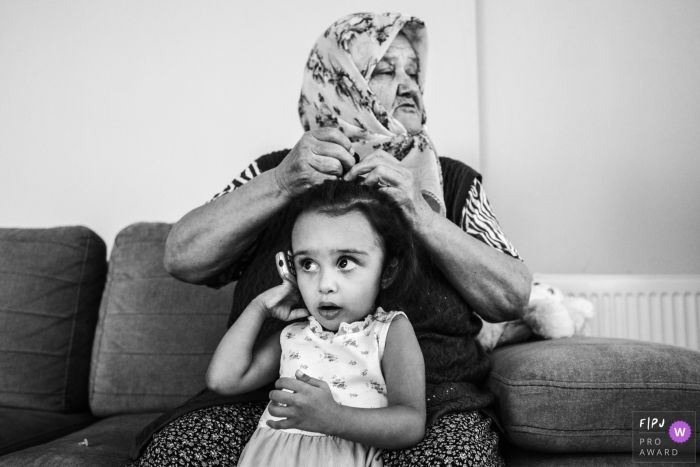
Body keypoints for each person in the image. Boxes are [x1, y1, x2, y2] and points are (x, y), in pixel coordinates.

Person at [129, 12, 532, 467]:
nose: (409, 87)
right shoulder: (277, 170)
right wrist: (281, 184)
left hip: (429, 399)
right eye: (384, 70)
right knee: (178, 455)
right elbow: (182, 256)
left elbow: (513, 295)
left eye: (414, 73)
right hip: (272, 396)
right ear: (340, 79)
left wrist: (419, 213)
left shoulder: (453, 181)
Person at [207, 180, 426, 467]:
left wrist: (335, 418)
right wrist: (258, 308)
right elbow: (223, 380)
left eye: (345, 262)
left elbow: (411, 422)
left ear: (387, 271)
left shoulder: (389, 331)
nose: (324, 285)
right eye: (307, 264)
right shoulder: (295, 335)